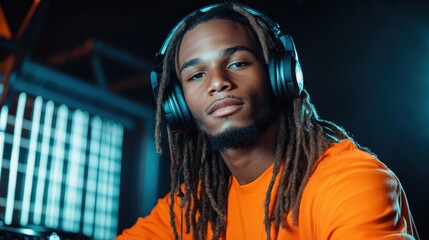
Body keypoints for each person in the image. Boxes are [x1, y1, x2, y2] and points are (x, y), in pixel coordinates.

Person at [116, 1, 420, 239]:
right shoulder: (195, 208)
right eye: (196, 75)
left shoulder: (350, 182)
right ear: (178, 105)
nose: (218, 82)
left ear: (279, 76)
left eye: (237, 63)